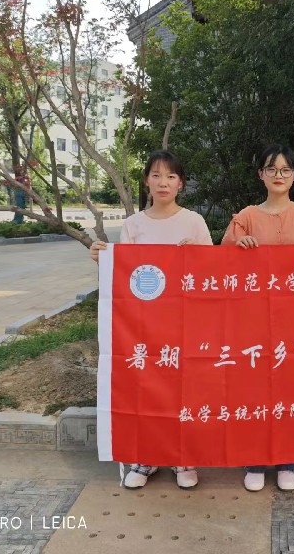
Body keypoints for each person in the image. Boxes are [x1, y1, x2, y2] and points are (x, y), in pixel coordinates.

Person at [90, 150, 213, 490]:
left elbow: (212, 274)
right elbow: (124, 274)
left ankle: (184, 457)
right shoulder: (134, 225)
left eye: (171, 176)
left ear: (181, 183)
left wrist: (198, 255)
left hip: (185, 322)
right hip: (144, 325)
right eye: (156, 175)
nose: (163, 182)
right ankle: (147, 458)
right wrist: (103, 258)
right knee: (146, 388)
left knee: (183, 389)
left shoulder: (194, 222)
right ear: (146, 180)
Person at [221, 144, 294, 492]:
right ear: (261, 175)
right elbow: (221, 261)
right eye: (272, 169)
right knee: (254, 389)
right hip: (253, 320)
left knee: (292, 388)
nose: (278, 175)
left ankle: (288, 460)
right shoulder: (246, 217)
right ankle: (254, 460)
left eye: (285, 170)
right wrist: (238, 246)